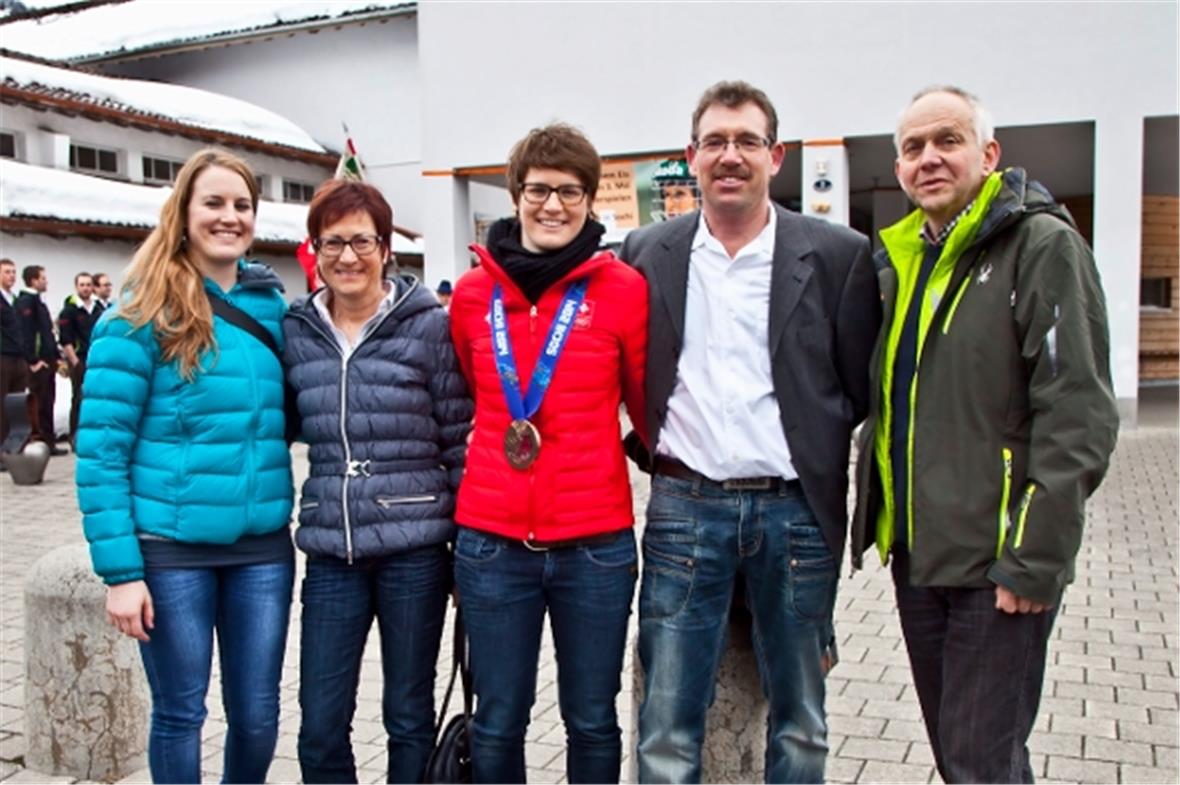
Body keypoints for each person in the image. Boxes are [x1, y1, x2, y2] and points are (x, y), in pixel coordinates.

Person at [850, 85, 1118, 784]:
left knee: (980, 761)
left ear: (989, 154)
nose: (928, 159)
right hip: (919, 557)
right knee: (962, 753)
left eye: (948, 141)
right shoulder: (903, 261)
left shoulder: (1042, 245)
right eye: (913, 148)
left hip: (998, 563)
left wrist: (1034, 555)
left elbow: (1079, 412)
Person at [619, 80, 880, 784]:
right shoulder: (648, 251)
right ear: (691, 156)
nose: (730, 155)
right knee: (666, 729)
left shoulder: (837, 254)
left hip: (794, 513)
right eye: (715, 142)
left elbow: (853, 385)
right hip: (683, 510)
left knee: (801, 724)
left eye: (747, 141)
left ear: (777, 156)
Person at [74, 148, 295, 784]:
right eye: (214, 203)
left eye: (242, 205)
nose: (230, 217)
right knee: (180, 713)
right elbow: (101, 453)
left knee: (257, 716)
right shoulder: (136, 316)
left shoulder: (270, 310)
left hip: (260, 549)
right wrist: (120, 572)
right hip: (171, 553)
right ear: (183, 212)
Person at [449, 122, 648, 784]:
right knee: (499, 717)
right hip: (492, 544)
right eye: (538, 189)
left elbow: (644, 405)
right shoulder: (474, 295)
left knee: (592, 717)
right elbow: (479, 393)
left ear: (591, 199)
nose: (553, 205)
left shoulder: (623, 289)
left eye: (570, 190)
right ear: (515, 194)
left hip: (594, 544)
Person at [283, 178, 472, 784]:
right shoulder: (297, 332)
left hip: (414, 549)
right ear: (314, 251)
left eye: (362, 241)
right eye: (332, 243)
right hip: (332, 551)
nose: (347, 257)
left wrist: (470, 551)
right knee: (319, 724)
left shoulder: (428, 328)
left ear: (386, 248)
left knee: (408, 716)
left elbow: (457, 439)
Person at [14, 264, 64, 454]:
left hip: (48, 360)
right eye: (43, 278)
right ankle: (41, 441)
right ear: (34, 280)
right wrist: (34, 360)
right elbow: (26, 333)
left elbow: (47, 332)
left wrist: (56, 356)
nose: (46, 281)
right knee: (40, 403)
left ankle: (49, 442)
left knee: (48, 400)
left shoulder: (38, 302)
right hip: (39, 363)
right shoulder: (27, 302)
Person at [57, 271, 98, 448]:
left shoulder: (98, 309)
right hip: (80, 360)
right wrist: (75, 362)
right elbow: (65, 339)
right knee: (78, 398)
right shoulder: (69, 310)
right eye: (82, 285)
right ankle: (75, 435)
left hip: (97, 360)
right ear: (76, 287)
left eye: (88, 285)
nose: (86, 288)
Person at [0, 258, 28, 454]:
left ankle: (14, 446)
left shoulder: (15, 300)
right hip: (3, 357)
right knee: (1, 404)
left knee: (16, 405)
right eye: (7, 272)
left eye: (13, 272)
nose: (11, 276)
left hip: (19, 357)